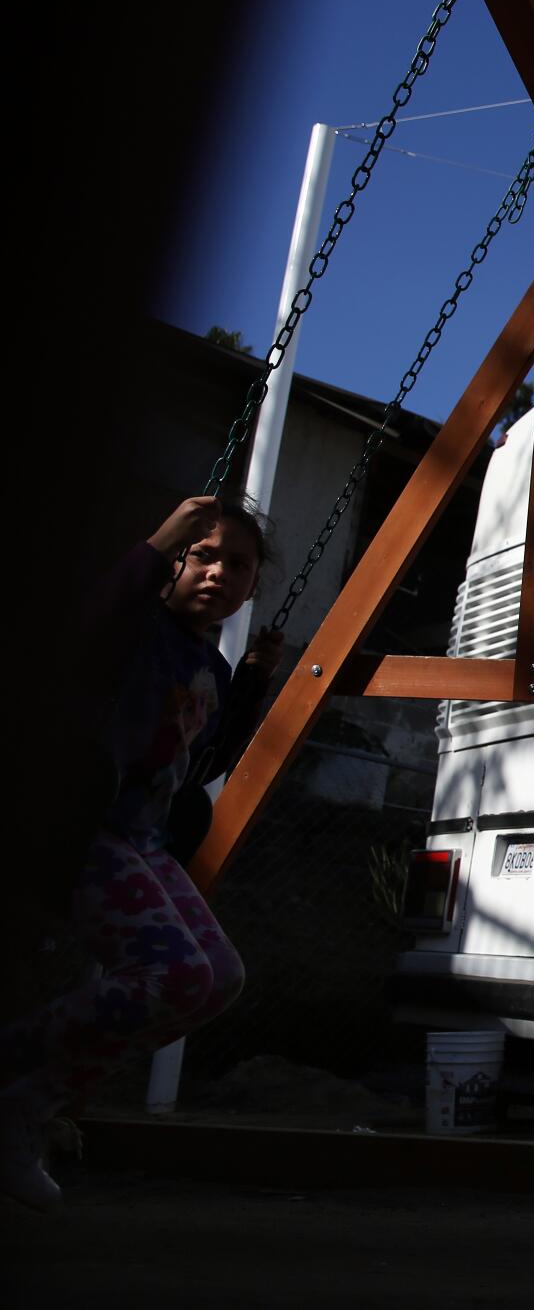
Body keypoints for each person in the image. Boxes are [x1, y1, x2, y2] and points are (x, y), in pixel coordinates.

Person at [2, 496, 282, 1211]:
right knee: (174, 971)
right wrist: (161, 539)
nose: (220, 572)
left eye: (239, 564)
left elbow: (205, 760)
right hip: (79, 830)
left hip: (141, 840)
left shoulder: (211, 669)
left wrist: (249, 687)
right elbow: (93, 623)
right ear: (174, 560)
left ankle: (25, 1105)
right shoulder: (133, 629)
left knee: (218, 976)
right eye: (205, 554)